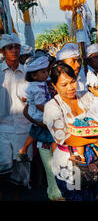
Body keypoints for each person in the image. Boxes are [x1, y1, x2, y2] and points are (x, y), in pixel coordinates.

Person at [43, 63, 98, 201]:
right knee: (76, 196)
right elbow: (65, 138)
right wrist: (94, 139)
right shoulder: (52, 107)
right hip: (69, 163)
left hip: (92, 159)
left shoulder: (86, 97)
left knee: (92, 195)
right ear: (54, 86)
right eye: (64, 85)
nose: (70, 87)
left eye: (73, 81)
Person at [0, 33, 31, 200]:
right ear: (3, 51)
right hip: (2, 127)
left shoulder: (27, 73)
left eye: (17, 46)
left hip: (23, 127)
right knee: (3, 166)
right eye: (10, 47)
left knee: (21, 169)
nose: (14, 50)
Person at [17, 56, 55, 161]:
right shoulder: (39, 88)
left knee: (33, 132)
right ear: (34, 75)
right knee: (51, 134)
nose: (46, 74)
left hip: (32, 112)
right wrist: (51, 112)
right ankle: (54, 153)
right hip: (39, 114)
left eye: (46, 71)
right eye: (43, 72)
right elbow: (39, 105)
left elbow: (24, 98)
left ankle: (23, 150)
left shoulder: (33, 84)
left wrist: (30, 100)